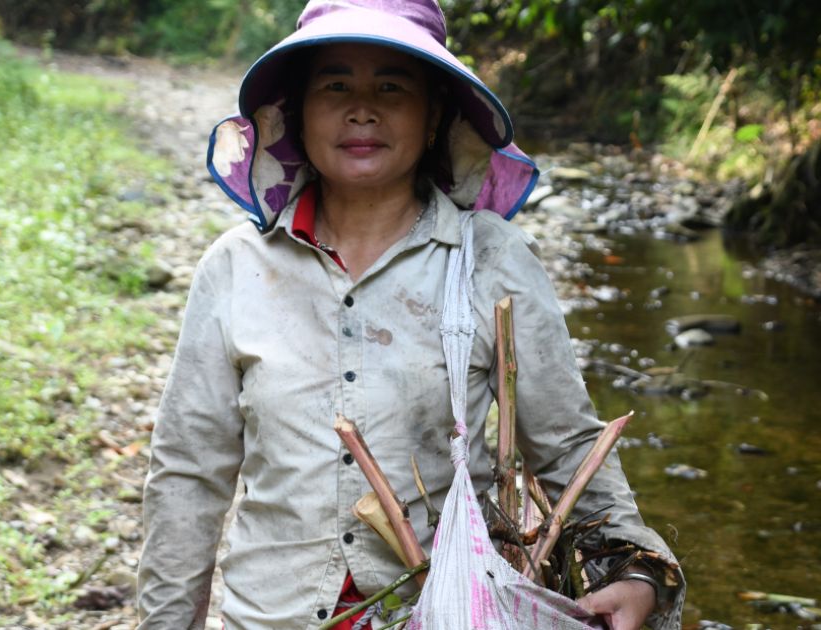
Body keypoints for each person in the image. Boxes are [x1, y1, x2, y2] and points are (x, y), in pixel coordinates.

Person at [137, 1, 685, 628]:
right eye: (335, 84)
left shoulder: (491, 261)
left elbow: (566, 446)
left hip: (442, 609)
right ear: (298, 113)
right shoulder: (235, 266)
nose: (361, 108)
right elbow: (188, 470)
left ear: (433, 119)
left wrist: (636, 569)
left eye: (392, 87)